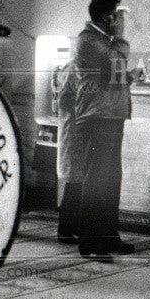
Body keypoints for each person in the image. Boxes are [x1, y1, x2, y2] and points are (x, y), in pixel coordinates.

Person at [73, 0, 145, 261]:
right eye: (119, 16)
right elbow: (113, 63)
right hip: (96, 118)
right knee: (96, 180)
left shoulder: (103, 41)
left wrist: (128, 77)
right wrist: (122, 35)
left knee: (111, 178)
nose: (122, 21)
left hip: (110, 116)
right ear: (108, 17)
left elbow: (111, 75)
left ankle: (108, 237)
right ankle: (90, 243)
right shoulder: (89, 40)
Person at [54, 57, 87, 243]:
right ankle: (65, 229)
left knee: (77, 180)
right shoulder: (73, 68)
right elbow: (66, 101)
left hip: (79, 129)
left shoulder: (80, 68)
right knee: (73, 181)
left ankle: (71, 227)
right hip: (73, 129)